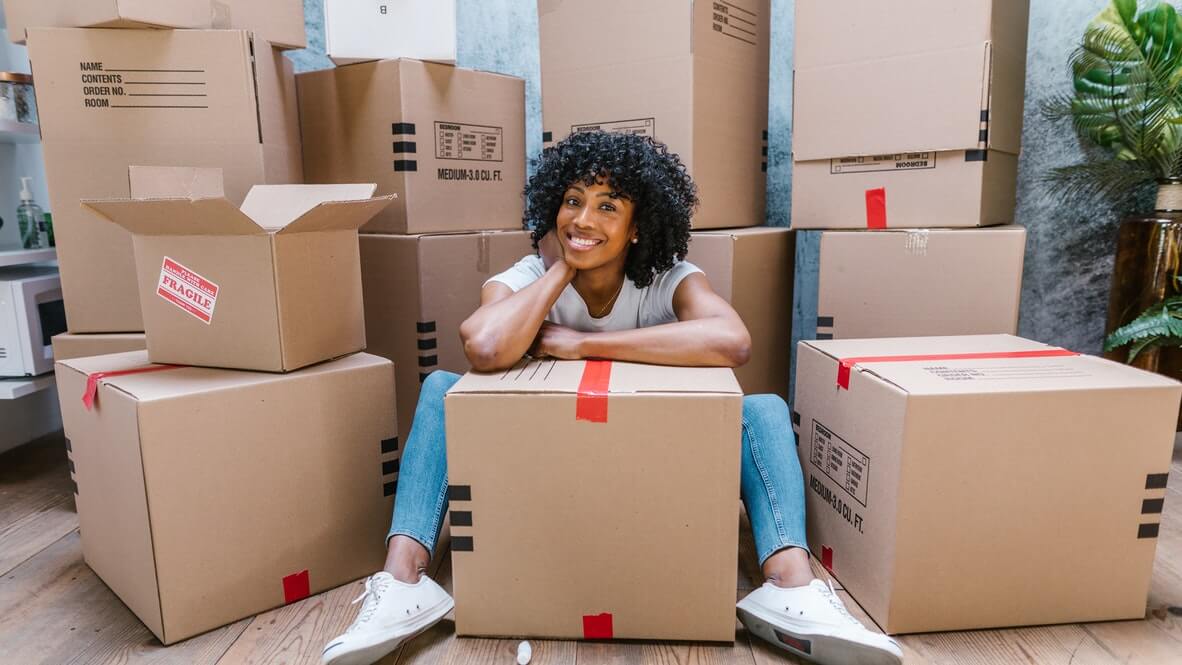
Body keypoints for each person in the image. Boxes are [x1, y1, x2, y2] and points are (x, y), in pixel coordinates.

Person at [321, 131, 903, 665]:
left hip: (641, 473)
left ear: (637, 226)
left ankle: (791, 588)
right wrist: (559, 270)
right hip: (543, 475)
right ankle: (404, 583)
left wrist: (580, 344)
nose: (584, 218)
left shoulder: (669, 278)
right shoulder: (527, 274)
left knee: (763, 409)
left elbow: (733, 340)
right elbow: (484, 345)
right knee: (440, 388)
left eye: (607, 206)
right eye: (572, 200)